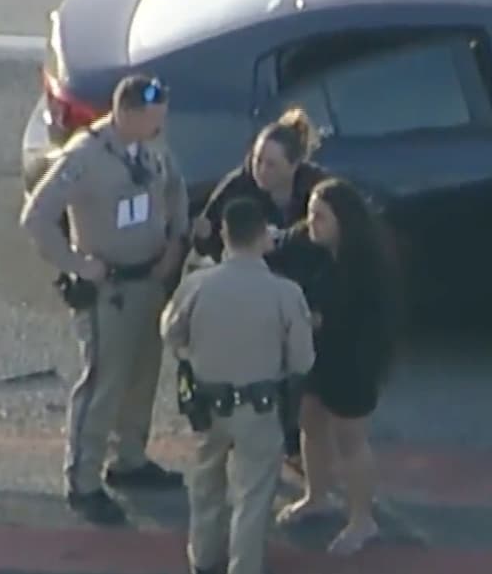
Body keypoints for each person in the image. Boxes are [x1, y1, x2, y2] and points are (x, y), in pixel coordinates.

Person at [19, 74, 190, 525]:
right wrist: (76, 262)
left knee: (143, 372)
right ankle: (83, 479)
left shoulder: (152, 146)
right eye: (153, 118)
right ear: (128, 114)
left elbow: (174, 186)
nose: (160, 126)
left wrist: (176, 239)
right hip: (108, 289)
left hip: (149, 279)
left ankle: (129, 458)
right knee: (103, 383)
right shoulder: (86, 156)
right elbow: (36, 217)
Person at [161, 196, 316, 574]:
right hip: (258, 405)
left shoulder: (197, 284)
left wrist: (194, 354)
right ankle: (243, 565)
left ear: (223, 235)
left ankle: (204, 557)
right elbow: (302, 360)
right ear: (264, 237)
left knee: (206, 483)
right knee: (254, 491)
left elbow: (170, 333)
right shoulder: (285, 293)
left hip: (206, 402)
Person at [190, 107, 330, 472]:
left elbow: (331, 243)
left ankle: (298, 442)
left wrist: (288, 242)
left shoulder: (316, 188)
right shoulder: (238, 186)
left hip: (302, 288)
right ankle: (273, 441)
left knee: (300, 370)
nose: (260, 171)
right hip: (255, 289)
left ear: (294, 164)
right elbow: (207, 235)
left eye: (271, 164)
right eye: (256, 160)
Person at [274, 178, 402, 555]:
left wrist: (311, 318)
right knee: (310, 421)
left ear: (343, 221)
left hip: (353, 360)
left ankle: (362, 520)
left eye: (320, 216)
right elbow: (281, 245)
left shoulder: (365, 265)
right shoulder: (312, 245)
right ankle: (316, 496)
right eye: (311, 212)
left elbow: (358, 319)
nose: (310, 222)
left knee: (351, 440)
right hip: (317, 356)